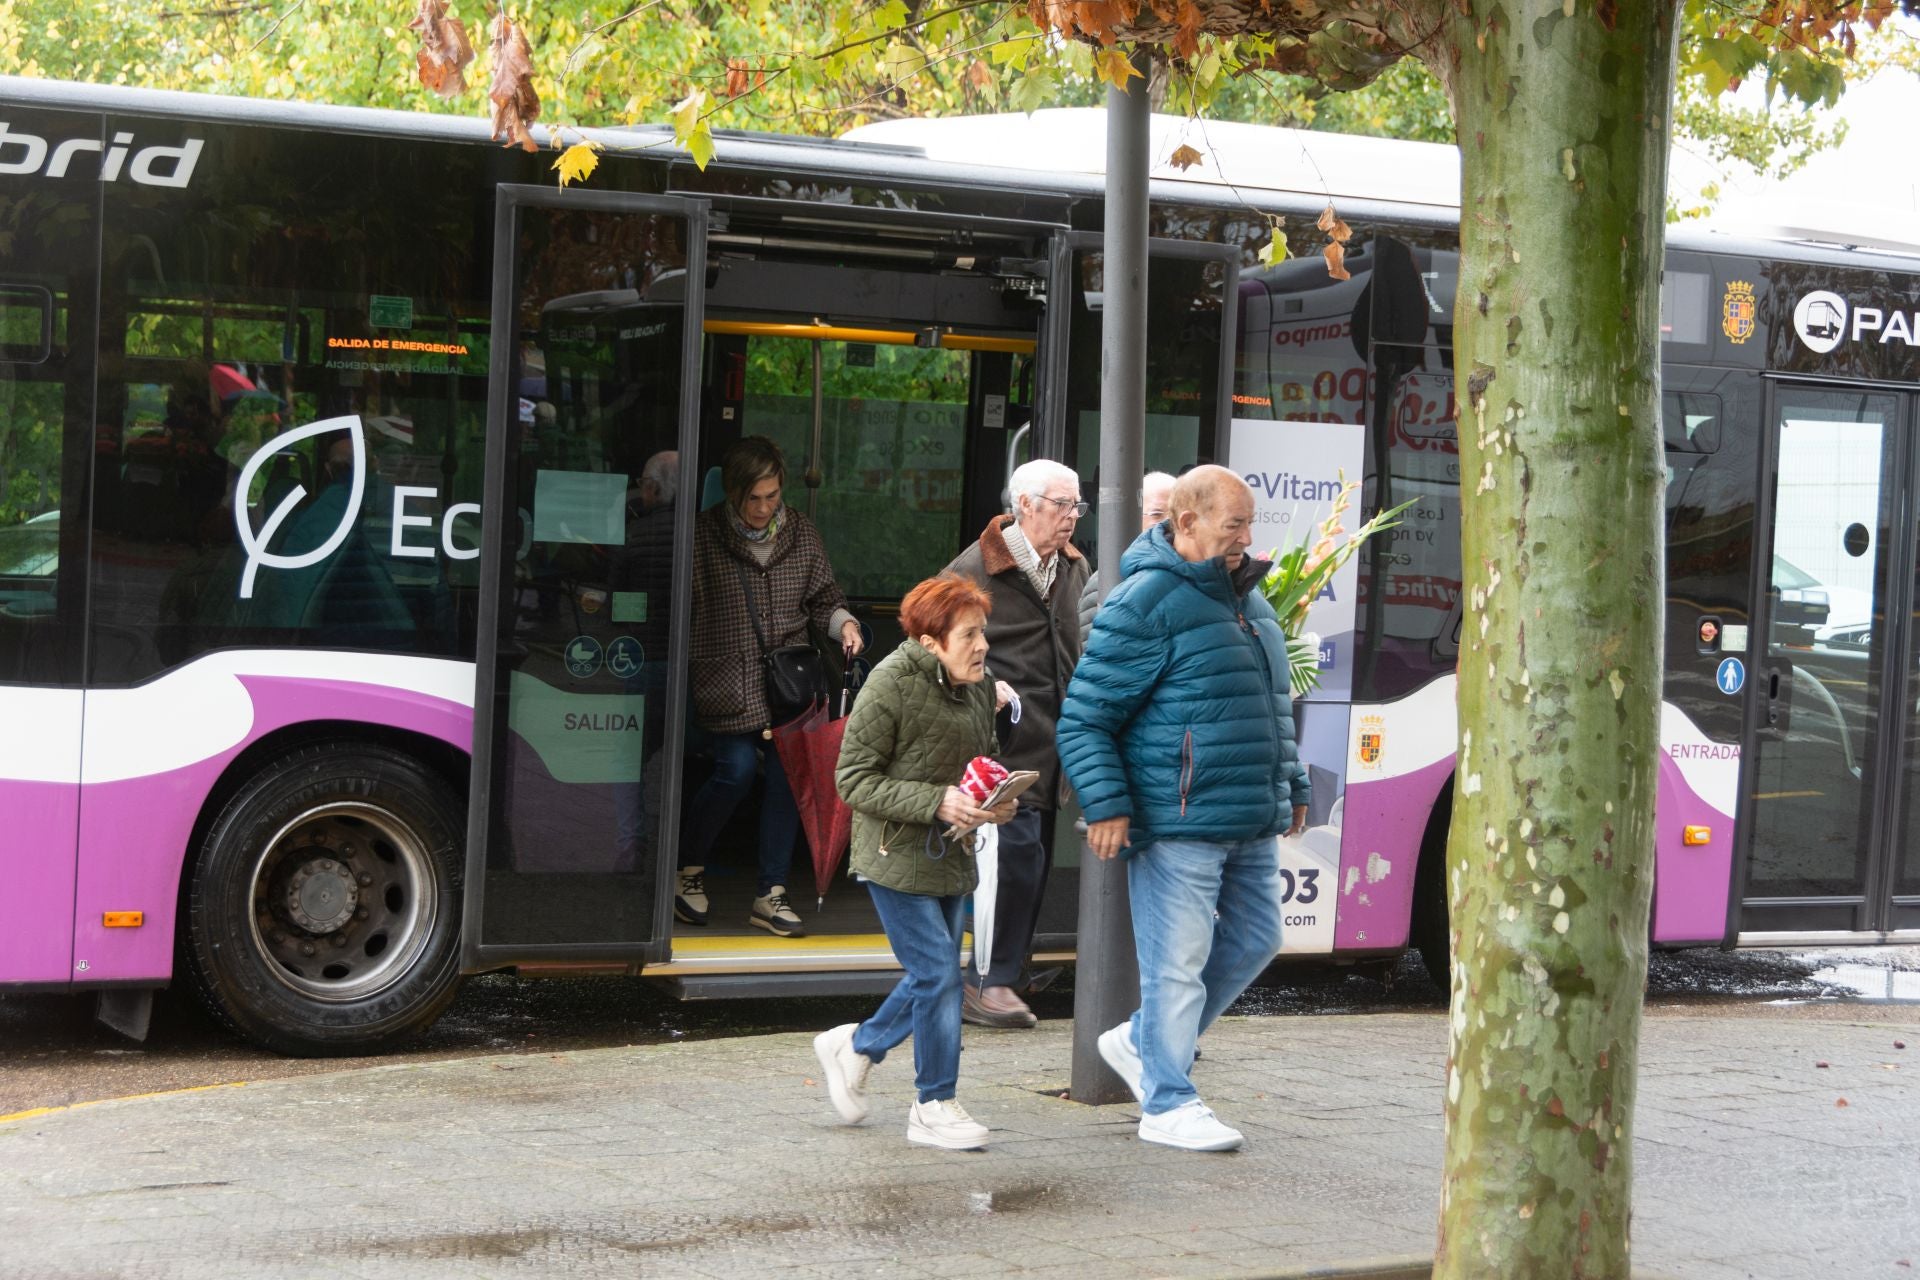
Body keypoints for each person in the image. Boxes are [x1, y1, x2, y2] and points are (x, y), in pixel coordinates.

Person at [1057, 465, 1310, 1152]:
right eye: (1235, 525)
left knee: (1257, 939)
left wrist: (1293, 785)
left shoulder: (1247, 600)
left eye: (1250, 524)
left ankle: (1142, 1045)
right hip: (1178, 821)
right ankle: (1167, 1102)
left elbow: (1270, 705)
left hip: (1248, 814)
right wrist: (1107, 804)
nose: (1247, 539)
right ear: (1186, 521)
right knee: (1178, 963)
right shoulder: (1144, 600)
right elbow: (1084, 718)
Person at [812, 575, 1018, 1150]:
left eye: (983, 633)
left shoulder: (979, 685)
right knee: (937, 976)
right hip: (893, 856)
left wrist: (994, 800)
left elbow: (985, 759)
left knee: (938, 977)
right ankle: (933, 1104)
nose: (982, 647)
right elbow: (851, 780)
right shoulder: (890, 684)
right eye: (969, 635)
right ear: (931, 642)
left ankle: (856, 1046)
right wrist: (936, 802)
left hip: (952, 853)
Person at [682, 436, 864, 937]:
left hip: (789, 683)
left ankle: (772, 892)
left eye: (773, 496)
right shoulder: (701, 537)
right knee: (734, 771)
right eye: (754, 498)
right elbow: (681, 609)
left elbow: (825, 597)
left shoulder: (801, 534)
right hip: (726, 679)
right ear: (733, 492)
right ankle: (688, 870)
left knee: (789, 782)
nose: (764, 508)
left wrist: (844, 625)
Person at [942, 458, 1091, 1029]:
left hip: (1058, 747)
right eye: (1061, 505)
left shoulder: (1074, 568)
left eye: (1077, 506)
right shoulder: (974, 569)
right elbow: (930, 641)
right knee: (1016, 860)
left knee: (1036, 863)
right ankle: (989, 982)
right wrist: (983, 685)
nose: (1071, 518)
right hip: (1000, 747)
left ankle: (1005, 975)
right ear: (1025, 505)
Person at [1078, 470, 1176, 641]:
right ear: (1133, 518)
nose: (1169, 524)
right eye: (1156, 515)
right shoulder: (1108, 578)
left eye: (1176, 515)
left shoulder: (1195, 575)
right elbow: (1093, 651)